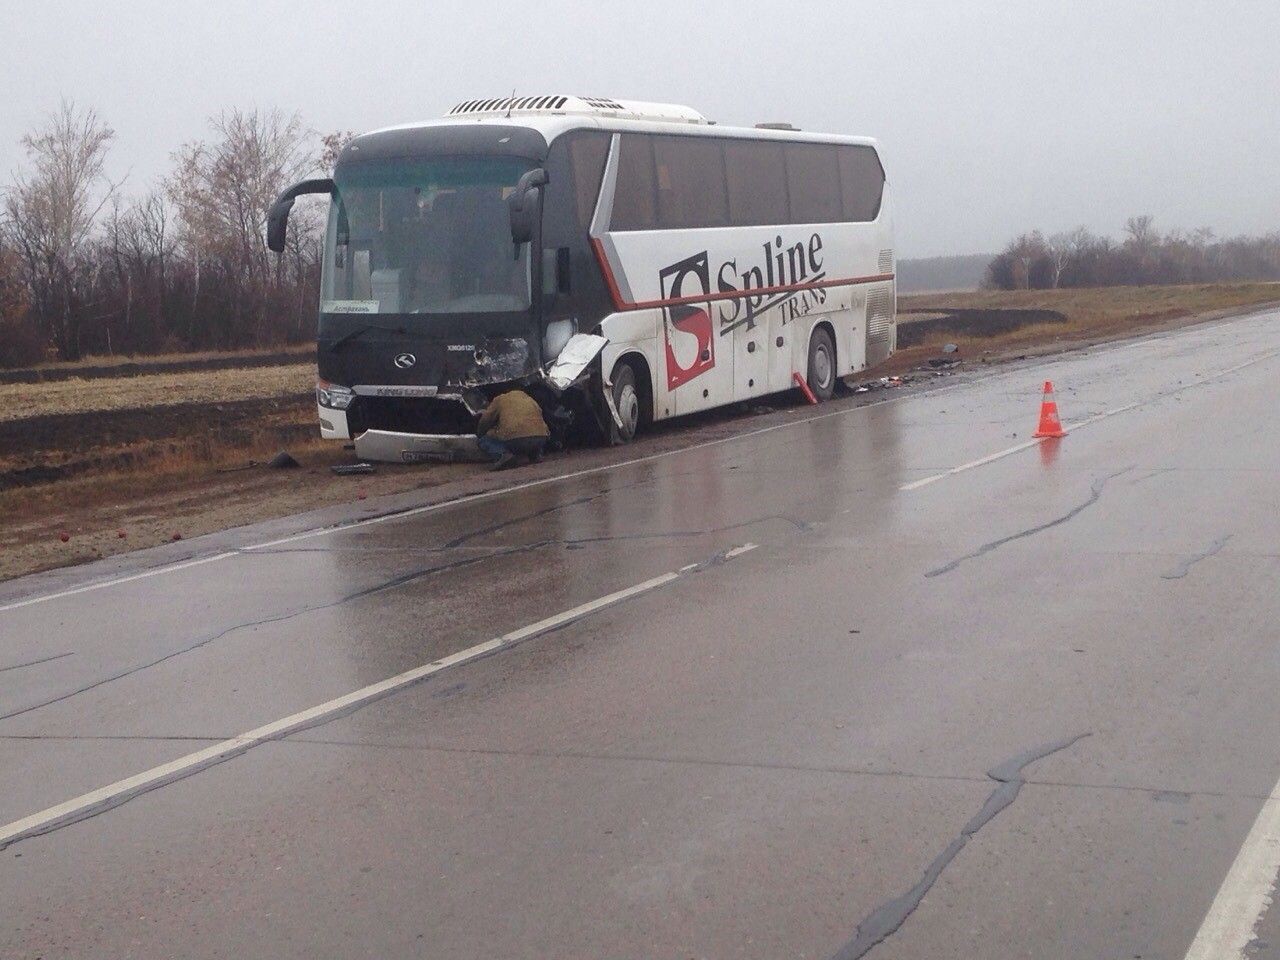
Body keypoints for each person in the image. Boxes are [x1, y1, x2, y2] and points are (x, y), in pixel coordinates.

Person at [475, 389, 550, 471]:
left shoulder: (500, 399)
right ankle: (535, 454)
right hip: (541, 438)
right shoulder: (530, 399)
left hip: (516, 441)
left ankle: (503, 455)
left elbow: (486, 420)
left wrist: (480, 433)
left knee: (484, 439)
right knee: (531, 431)